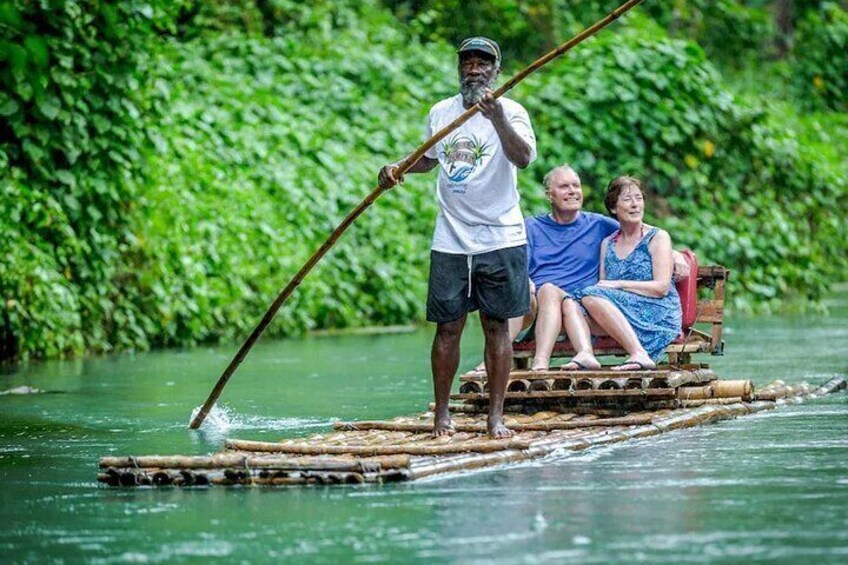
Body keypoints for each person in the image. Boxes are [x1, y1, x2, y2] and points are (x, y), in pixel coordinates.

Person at [378, 37, 536, 438]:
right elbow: (430, 158)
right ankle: (441, 416)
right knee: (447, 326)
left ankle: (495, 417)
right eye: (467, 62)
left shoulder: (513, 112)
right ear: (459, 68)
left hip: (501, 234)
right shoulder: (442, 112)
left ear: (496, 71)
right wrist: (398, 167)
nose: (474, 69)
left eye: (483, 63)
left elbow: (522, 157)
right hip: (451, 236)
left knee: (496, 324)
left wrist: (497, 117)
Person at [576, 176, 682, 371]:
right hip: (621, 311)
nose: (635, 205)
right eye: (627, 199)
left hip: (655, 309)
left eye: (638, 198)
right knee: (571, 304)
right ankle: (585, 357)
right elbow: (604, 291)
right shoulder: (608, 243)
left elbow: (661, 288)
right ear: (614, 208)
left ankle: (638, 354)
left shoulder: (657, 237)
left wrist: (618, 284)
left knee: (590, 295)